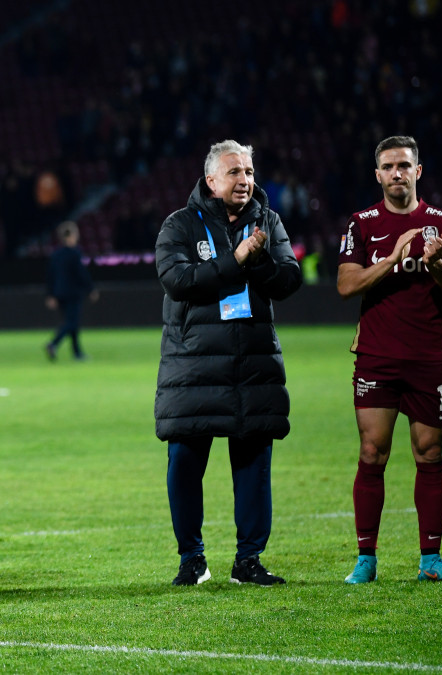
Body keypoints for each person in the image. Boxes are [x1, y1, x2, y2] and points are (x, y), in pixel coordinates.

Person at [154, 140, 302, 587]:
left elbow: (289, 278)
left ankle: (249, 561)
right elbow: (178, 280)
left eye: (250, 172)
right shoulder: (180, 225)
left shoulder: (268, 221)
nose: (246, 181)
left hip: (252, 365)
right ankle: (192, 560)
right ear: (212, 179)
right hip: (193, 368)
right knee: (184, 464)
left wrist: (255, 264)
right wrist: (236, 260)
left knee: (254, 466)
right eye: (235, 172)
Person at [336, 135, 442, 584]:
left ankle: (431, 560)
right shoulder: (361, 223)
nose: (397, 172)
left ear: (418, 171)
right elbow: (346, 285)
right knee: (372, 453)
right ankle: (366, 560)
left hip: (428, 356)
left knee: (429, 454)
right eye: (389, 166)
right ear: (377, 175)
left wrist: (435, 267)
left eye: (404, 165)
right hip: (377, 356)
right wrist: (394, 257)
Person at [45, 221, 98, 361]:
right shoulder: (75, 253)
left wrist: (50, 294)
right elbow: (81, 273)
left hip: (60, 294)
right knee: (71, 323)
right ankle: (53, 343)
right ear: (71, 236)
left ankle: (77, 353)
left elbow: (50, 275)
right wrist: (90, 288)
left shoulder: (56, 255)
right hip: (73, 293)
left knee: (71, 323)